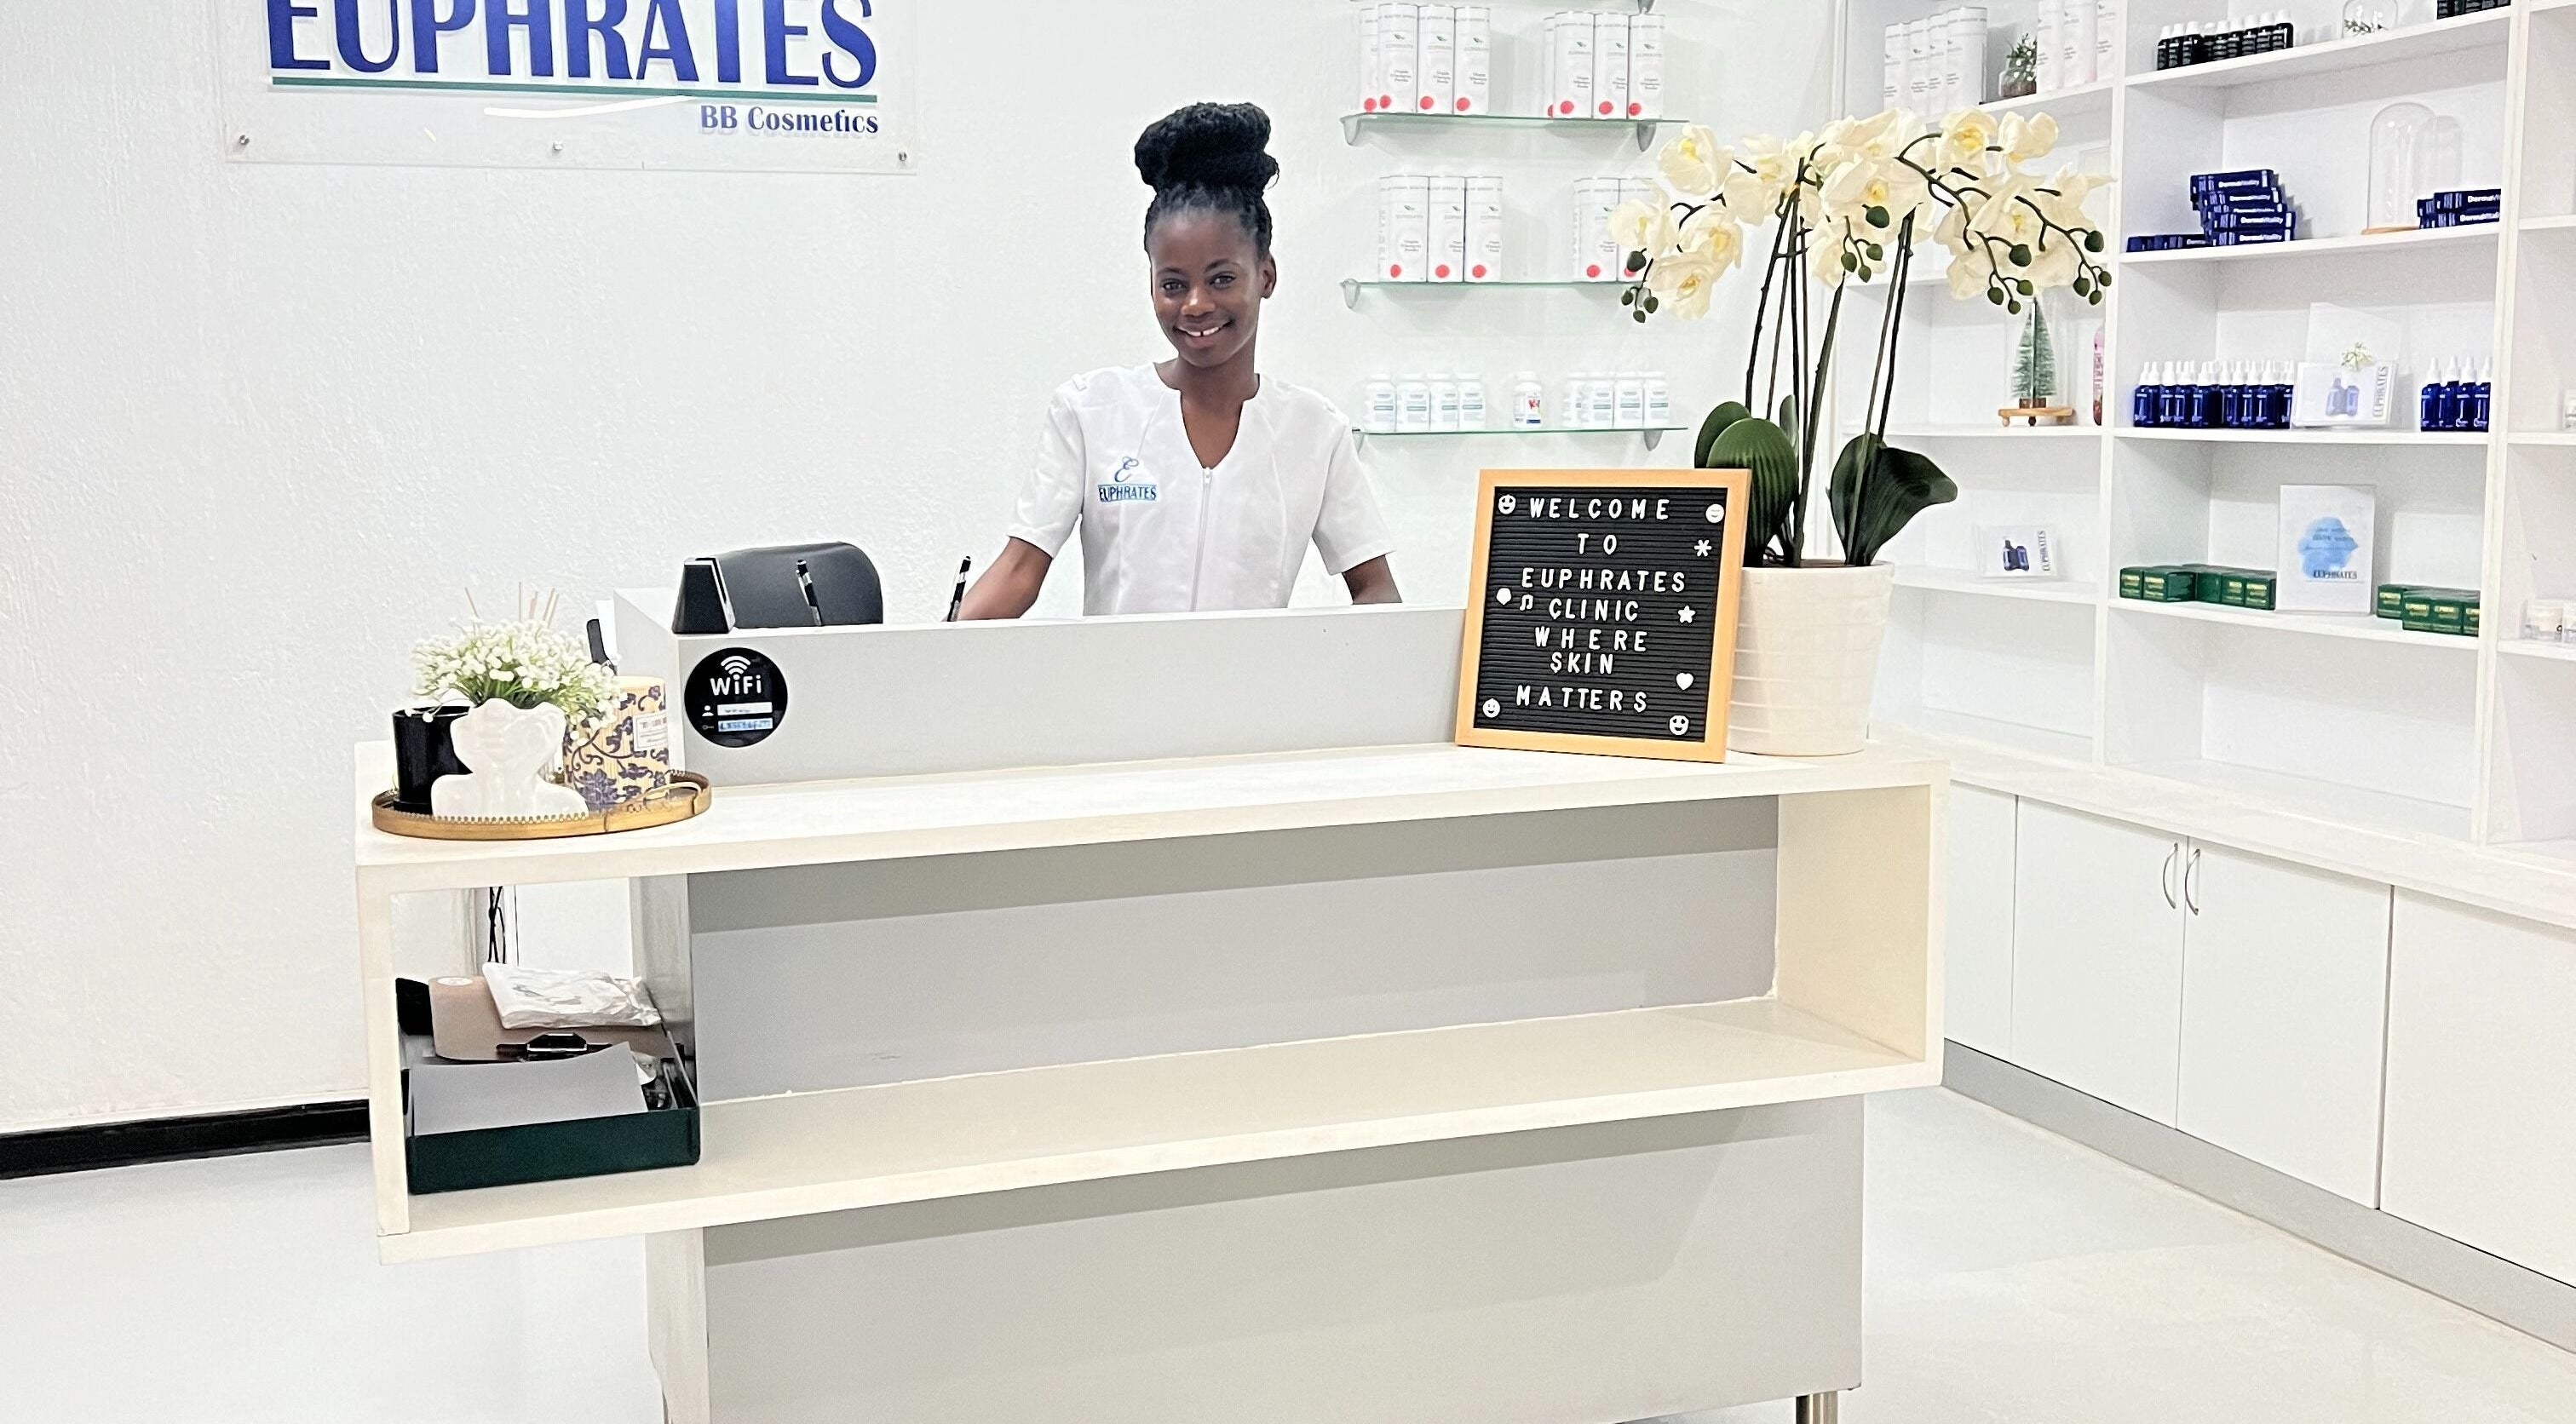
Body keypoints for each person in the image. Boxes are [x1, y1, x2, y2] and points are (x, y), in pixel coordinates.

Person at [959, 102, 1401, 619]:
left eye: (1221, 279)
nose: (1195, 305)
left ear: (1266, 276)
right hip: (1116, 697)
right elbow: (1019, 571)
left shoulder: (1314, 430)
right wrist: (930, 663)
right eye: (1173, 284)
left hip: (1256, 698)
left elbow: (1376, 591)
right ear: (1151, 285)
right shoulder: (1091, 411)